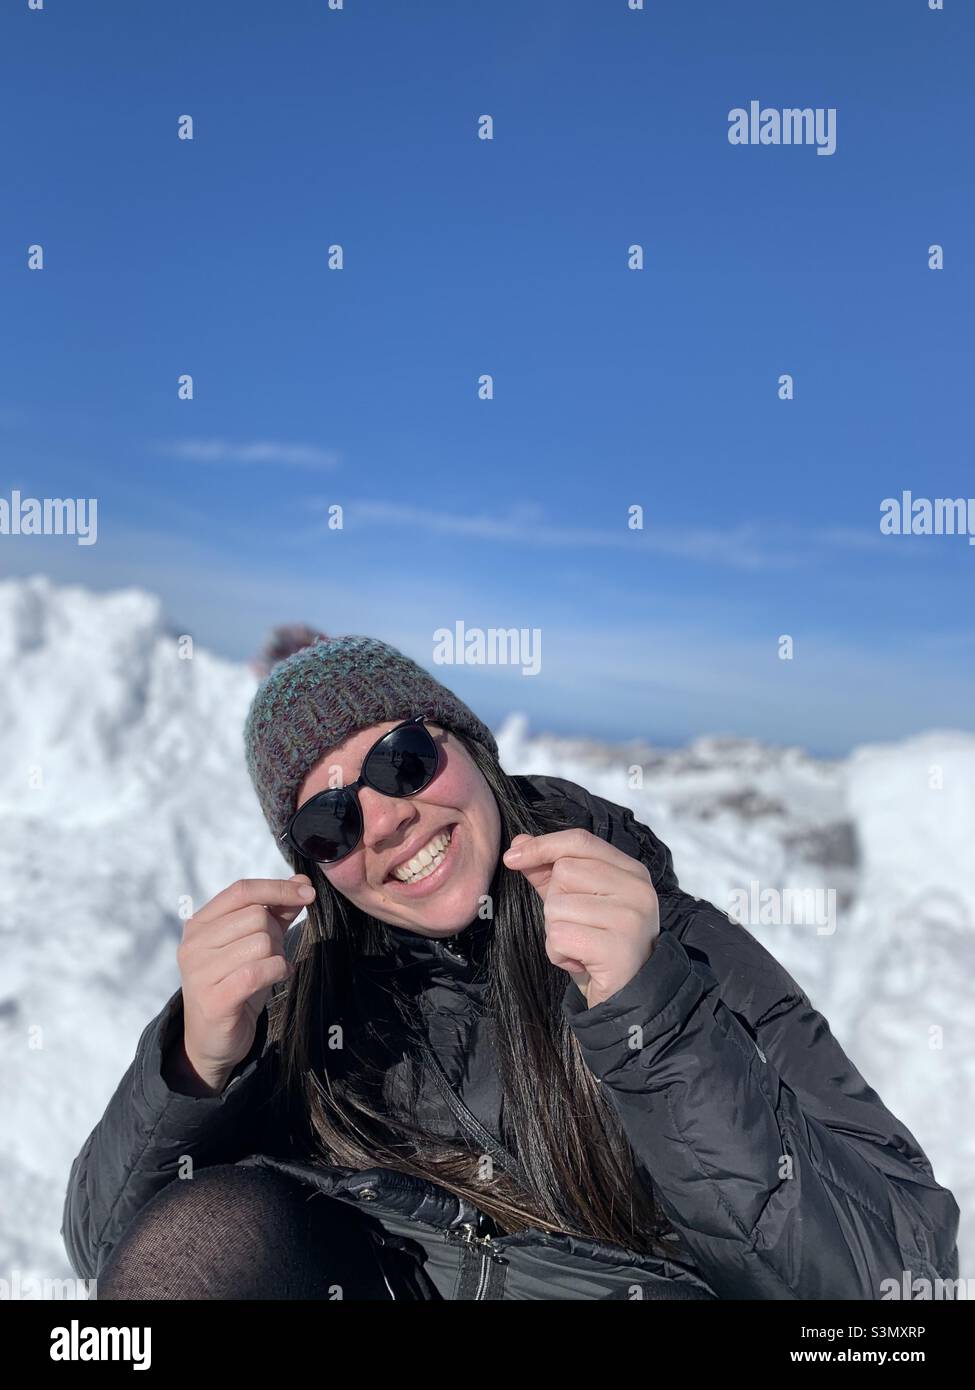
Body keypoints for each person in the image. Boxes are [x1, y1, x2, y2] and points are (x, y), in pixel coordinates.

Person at [61, 632, 960, 1300]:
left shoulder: (677, 949)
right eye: (328, 823)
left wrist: (656, 1020)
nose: (382, 822)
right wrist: (196, 1064)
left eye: (401, 762)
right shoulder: (306, 993)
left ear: (472, 751)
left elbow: (897, 1285)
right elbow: (119, 1265)